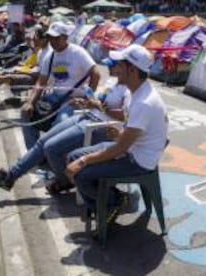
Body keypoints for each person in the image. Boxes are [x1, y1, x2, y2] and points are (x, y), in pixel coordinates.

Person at [0, 58, 129, 192]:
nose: (109, 67)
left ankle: (67, 180)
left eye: (113, 65)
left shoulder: (129, 90)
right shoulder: (113, 81)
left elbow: (126, 115)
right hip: (87, 116)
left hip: (100, 126)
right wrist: (86, 102)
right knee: (43, 141)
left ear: (126, 68)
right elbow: (100, 104)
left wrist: (98, 107)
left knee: (51, 148)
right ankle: (11, 176)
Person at [65, 44, 169, 222]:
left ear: (132, 69)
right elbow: (128, 127)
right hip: (131, 150)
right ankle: (106, 203)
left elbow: (120, 148)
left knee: (81, 174)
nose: (114, 68)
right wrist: (119, 134)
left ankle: (114, 202)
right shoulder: (134, 91)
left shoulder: (144, 102)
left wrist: (85, 160)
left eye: (119, 64)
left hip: (138, 161)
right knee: (72, 158)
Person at [21, 21, 101, 150]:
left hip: (73, 100)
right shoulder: (50, 56)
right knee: (25, 112)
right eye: (50, 38)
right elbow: (41, 82)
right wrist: (30, 102)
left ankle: (44, 152)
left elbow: (96, 74)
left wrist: (87, 99)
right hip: (55, 97)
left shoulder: (78, 52)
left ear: (65, 37)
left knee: (60, 121)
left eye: (56, 38)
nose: (53, 41)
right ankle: (34, 152)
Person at [0, 27, 50, 95]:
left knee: (6, 77)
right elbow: (35, 66)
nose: (33, 41)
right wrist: (22, 68)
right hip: (30, 73)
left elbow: (40, 74)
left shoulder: (47, 53)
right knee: (5, 73)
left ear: (44, 39)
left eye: (35, 39)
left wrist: (22, 71)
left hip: (35, 79)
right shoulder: (41, 51)